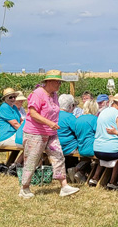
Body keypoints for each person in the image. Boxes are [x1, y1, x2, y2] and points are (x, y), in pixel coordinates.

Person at [19, 70, 79, 199]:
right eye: (57, 82)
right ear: (49, 82)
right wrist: (49, 123)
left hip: (51, 132)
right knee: (32, 159)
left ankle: (64, 186)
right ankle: (24, 188)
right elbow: (33, 113)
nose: (59, 84)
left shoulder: (54, 95)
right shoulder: (38, 94)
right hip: (35, 132)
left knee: (58, 155)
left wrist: (52, 125)